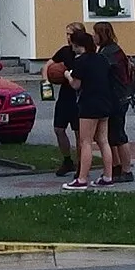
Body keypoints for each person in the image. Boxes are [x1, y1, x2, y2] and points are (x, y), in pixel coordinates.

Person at [62, 29, 118, 190]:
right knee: (103, 140)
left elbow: (76, 85)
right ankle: (108, 176)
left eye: (72, 43)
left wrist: (67, 75)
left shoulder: (81, 61)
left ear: (78, 45)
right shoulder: (101, 58)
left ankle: (81, 179)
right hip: (105, 102)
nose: (71, 46)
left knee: (85, 142)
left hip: (89, 104)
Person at [93, 21, 135, 183]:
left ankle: (126, 170)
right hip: (119, 97)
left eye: (95, 33)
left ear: (102, 35)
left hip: (117, 98)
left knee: (118, 134)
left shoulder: (108, 53)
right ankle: (117, 167)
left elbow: (102, 74)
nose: (93, 36)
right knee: (111, 134)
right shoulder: (112, 50)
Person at [49, 21, 85, 177]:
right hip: (65, 96)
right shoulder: (64, 51)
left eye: (70, 34)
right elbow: (48, 65)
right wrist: (46, 81)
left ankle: (81, 165)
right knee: (58, 129)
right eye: (67, 34)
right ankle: (67, 160)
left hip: (79, 98)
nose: (68, 37)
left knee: (79, 133)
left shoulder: (86, 53)